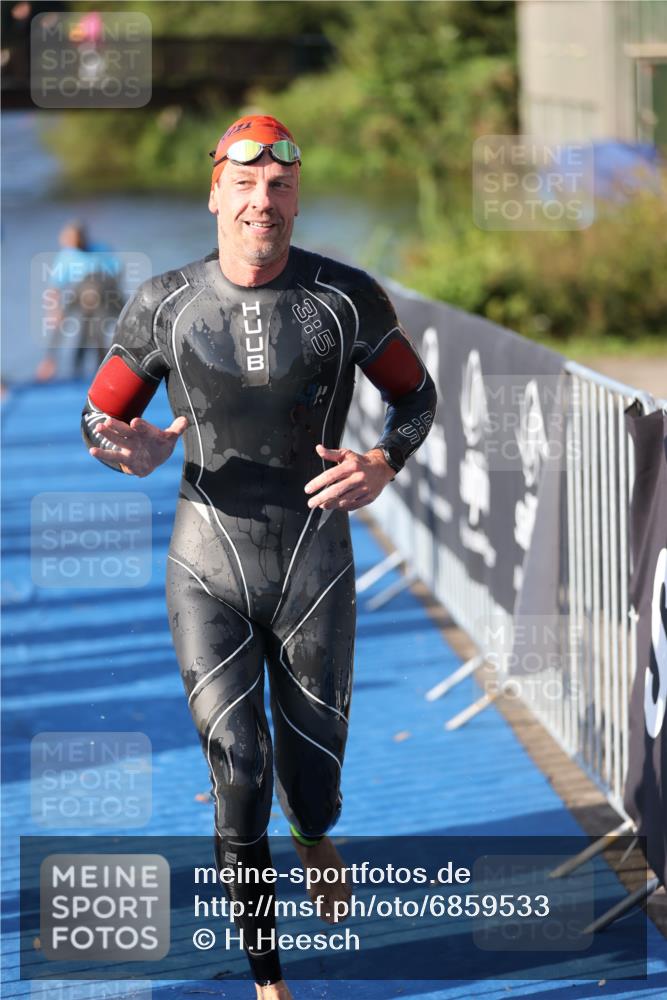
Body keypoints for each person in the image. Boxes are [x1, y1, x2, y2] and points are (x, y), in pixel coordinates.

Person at [80, 114, 437, 998]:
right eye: (243, 185)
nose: (260, 202)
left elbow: (416, 398)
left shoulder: (345, 298)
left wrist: (383, 461)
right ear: (214, 193)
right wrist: (126, 446)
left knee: (311, 785)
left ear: (295, 197)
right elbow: (99, 414)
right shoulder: (163, 302)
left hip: (315, 564)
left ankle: (315, 834)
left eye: (278, 187)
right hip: (208, 560)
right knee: (238, 765)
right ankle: (266, 975)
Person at [36, 221, 123, 381]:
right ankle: (50, 363)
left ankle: (106, 370)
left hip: (104, 295)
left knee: (99, 331)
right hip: (81, 294)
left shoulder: (101, 249)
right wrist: (54, 311)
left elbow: (117, 274)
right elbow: (55, 287)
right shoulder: (67, 255)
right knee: (65, 326)